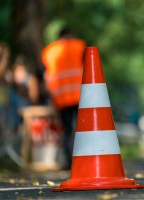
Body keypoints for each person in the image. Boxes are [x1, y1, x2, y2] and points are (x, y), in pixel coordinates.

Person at [41, 27, 86, 168]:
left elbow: (45, 75)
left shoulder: (49, 51)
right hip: (81, 95)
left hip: (61, 97)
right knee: (83, 128)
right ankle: (84, 160)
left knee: (66, 130)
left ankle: (69, 162)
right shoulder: (80, 46)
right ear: (70, 34)